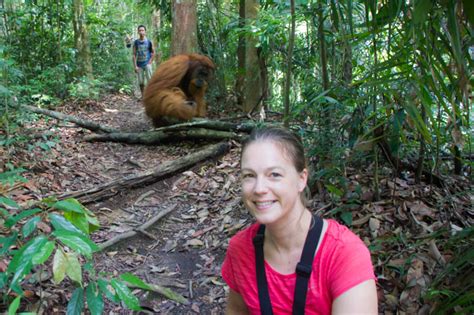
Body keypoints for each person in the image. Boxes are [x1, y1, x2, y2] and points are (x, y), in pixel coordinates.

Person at [221, 127, 378, 314]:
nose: (259, 188)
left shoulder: (344, 254)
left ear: (302, 179)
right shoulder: (240, 249)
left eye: (275, 174)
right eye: (249, 175)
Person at [133, 25, 155, 98]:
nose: (141, 32)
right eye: (140, 30)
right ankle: (143, 96)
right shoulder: (136, 42)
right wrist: (135, 66)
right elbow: (134, 54)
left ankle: (151, 95)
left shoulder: (149, 42)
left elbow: (153, 52)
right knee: (141, 82)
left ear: (145, 32)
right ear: (138, 32)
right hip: (139, 64)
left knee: (150, 80)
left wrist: (150, 62)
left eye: (143, 30)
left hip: (147, 64)